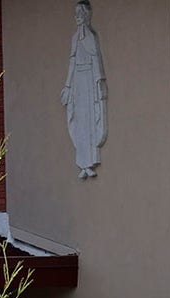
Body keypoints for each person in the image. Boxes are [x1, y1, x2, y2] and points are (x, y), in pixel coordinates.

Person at [61, 0, 106, 180]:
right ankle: (82, 164)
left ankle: (89, 163)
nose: (77, 17)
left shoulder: (91, 37)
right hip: (78, 82)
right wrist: (67, 85)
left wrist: (99, 82)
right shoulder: (74, 39)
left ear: (86, 16)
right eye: (75, 14)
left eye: (80, 14)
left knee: (89, 122)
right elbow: (72, 61)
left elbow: (96, 60)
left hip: (89, 81)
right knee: (79, 122)